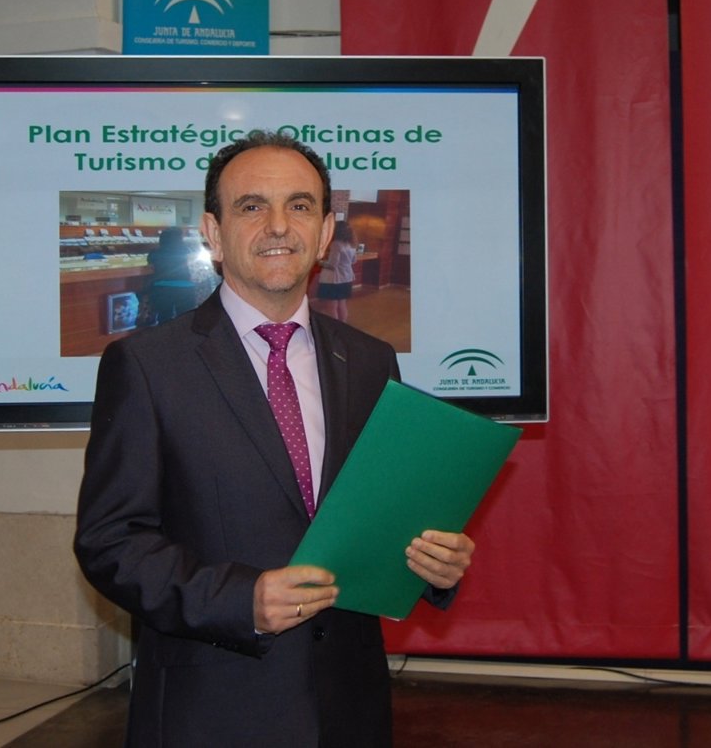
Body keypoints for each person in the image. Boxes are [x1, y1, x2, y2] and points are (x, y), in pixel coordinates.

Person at [74, 130, 475, 747]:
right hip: (213, 710)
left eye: (300, 205)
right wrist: (240, 600)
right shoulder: (148, 366)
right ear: (214, 233)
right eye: (252, 206)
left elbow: (378, 516)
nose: (279, 226)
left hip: (349, 708)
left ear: (325, 232)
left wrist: (433, 564)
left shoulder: (371, 361)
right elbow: (111, 542)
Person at [145, 227, 197, 324]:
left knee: (164, 320)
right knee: (185, 321)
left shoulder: (155, 253)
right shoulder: (186, 251)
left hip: (162, 289)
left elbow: (150, 265)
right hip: (185, 289)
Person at [316, 219, 358, 322]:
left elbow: (332, 265)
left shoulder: (336, 244)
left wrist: (319, 262)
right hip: (346, 278)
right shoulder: (351, 244)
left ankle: (334, 328)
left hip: (334, 280)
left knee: (331, 306)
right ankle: (342, 326)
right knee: (342, 304)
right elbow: (354, 261)